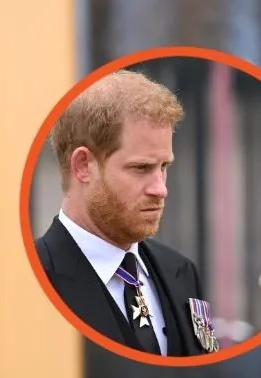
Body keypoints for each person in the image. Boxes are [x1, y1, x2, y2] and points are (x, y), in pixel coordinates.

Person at [35, 69, 218, 356]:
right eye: (141, 168)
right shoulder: (31, 282)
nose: (160, 189)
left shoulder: (180, 271)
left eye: (164, 167)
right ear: (83, 165)